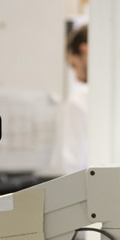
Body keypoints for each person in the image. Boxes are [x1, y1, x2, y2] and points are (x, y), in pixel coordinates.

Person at [50, 20, 89, 174]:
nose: (78, 78)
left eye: (74, 65)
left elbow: (71, 164)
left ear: (84, 50)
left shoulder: (79, 100)